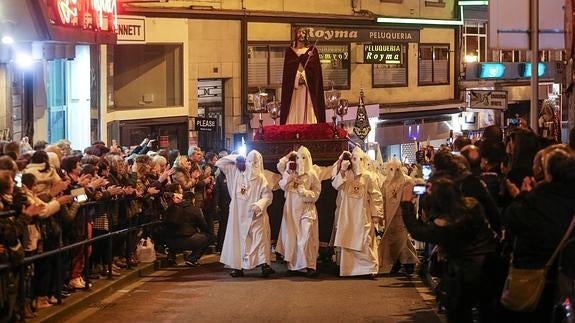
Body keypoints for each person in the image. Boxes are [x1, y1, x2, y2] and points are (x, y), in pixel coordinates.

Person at [401, 177, 499, 323]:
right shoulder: (473, 207)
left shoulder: (446, 225)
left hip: (463, 275)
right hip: (489, 268)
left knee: (459, 314)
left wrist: (406, 204)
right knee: (487, 312)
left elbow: (418, 232)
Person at [215, 150, 274, 277]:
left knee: (259, 240)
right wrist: (238, 158)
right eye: (249, 161)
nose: (252, 165)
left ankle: (264, 265)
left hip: (255, 215)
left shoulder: (261, 178)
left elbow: (268, 196)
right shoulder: (235, 172)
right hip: (238, 215)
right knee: (239, 241)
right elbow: (220, 162)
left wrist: (259, 205)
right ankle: (238, 267)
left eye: (255, 162)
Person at [331, 147, 383, 277]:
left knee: (365, 240)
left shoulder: (367, 176)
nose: (356, 162)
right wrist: (342, 171)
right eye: (353, 159)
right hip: (348, 214)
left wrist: (376, 214)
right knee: (348, 240)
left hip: (362, 214)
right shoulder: (346, 174)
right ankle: (349, 270)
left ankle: (369, 269)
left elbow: (376, 195)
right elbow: (337, 185)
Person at [276, 146, 321, 277]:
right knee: (292, 238)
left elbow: (317, 193)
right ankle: (295, 266)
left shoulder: (312, 174)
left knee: (306, 237)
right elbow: (282, 182)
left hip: (306, 209)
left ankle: (310, 265)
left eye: (303, 158)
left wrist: (305, 193)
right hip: (291, 210)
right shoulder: (290, 171)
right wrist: (289, 173)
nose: (300, 160)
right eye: (298, 157)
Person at [280, 27, 326, 125]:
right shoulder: (290, 52)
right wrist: (297, 77)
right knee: (293, 109)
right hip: (294, 90)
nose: (301, 34)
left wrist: (304, 76)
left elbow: (316, 72)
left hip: (308, 90)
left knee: (309, 111)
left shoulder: (312, 52)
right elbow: (287, 73)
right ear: (295, 35)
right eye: (299, 32)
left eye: (304, 32)